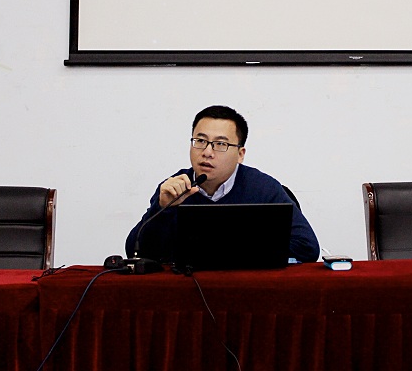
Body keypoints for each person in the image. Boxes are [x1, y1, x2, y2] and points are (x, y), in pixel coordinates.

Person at [125, 105, 320, 264]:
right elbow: (135, 251)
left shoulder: (263, 188)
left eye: (220, 144)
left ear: (240, 154)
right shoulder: (174, 188)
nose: (207, 152)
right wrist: (163, 208)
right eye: (200, 141)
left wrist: (231, 252)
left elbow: (307, 247)